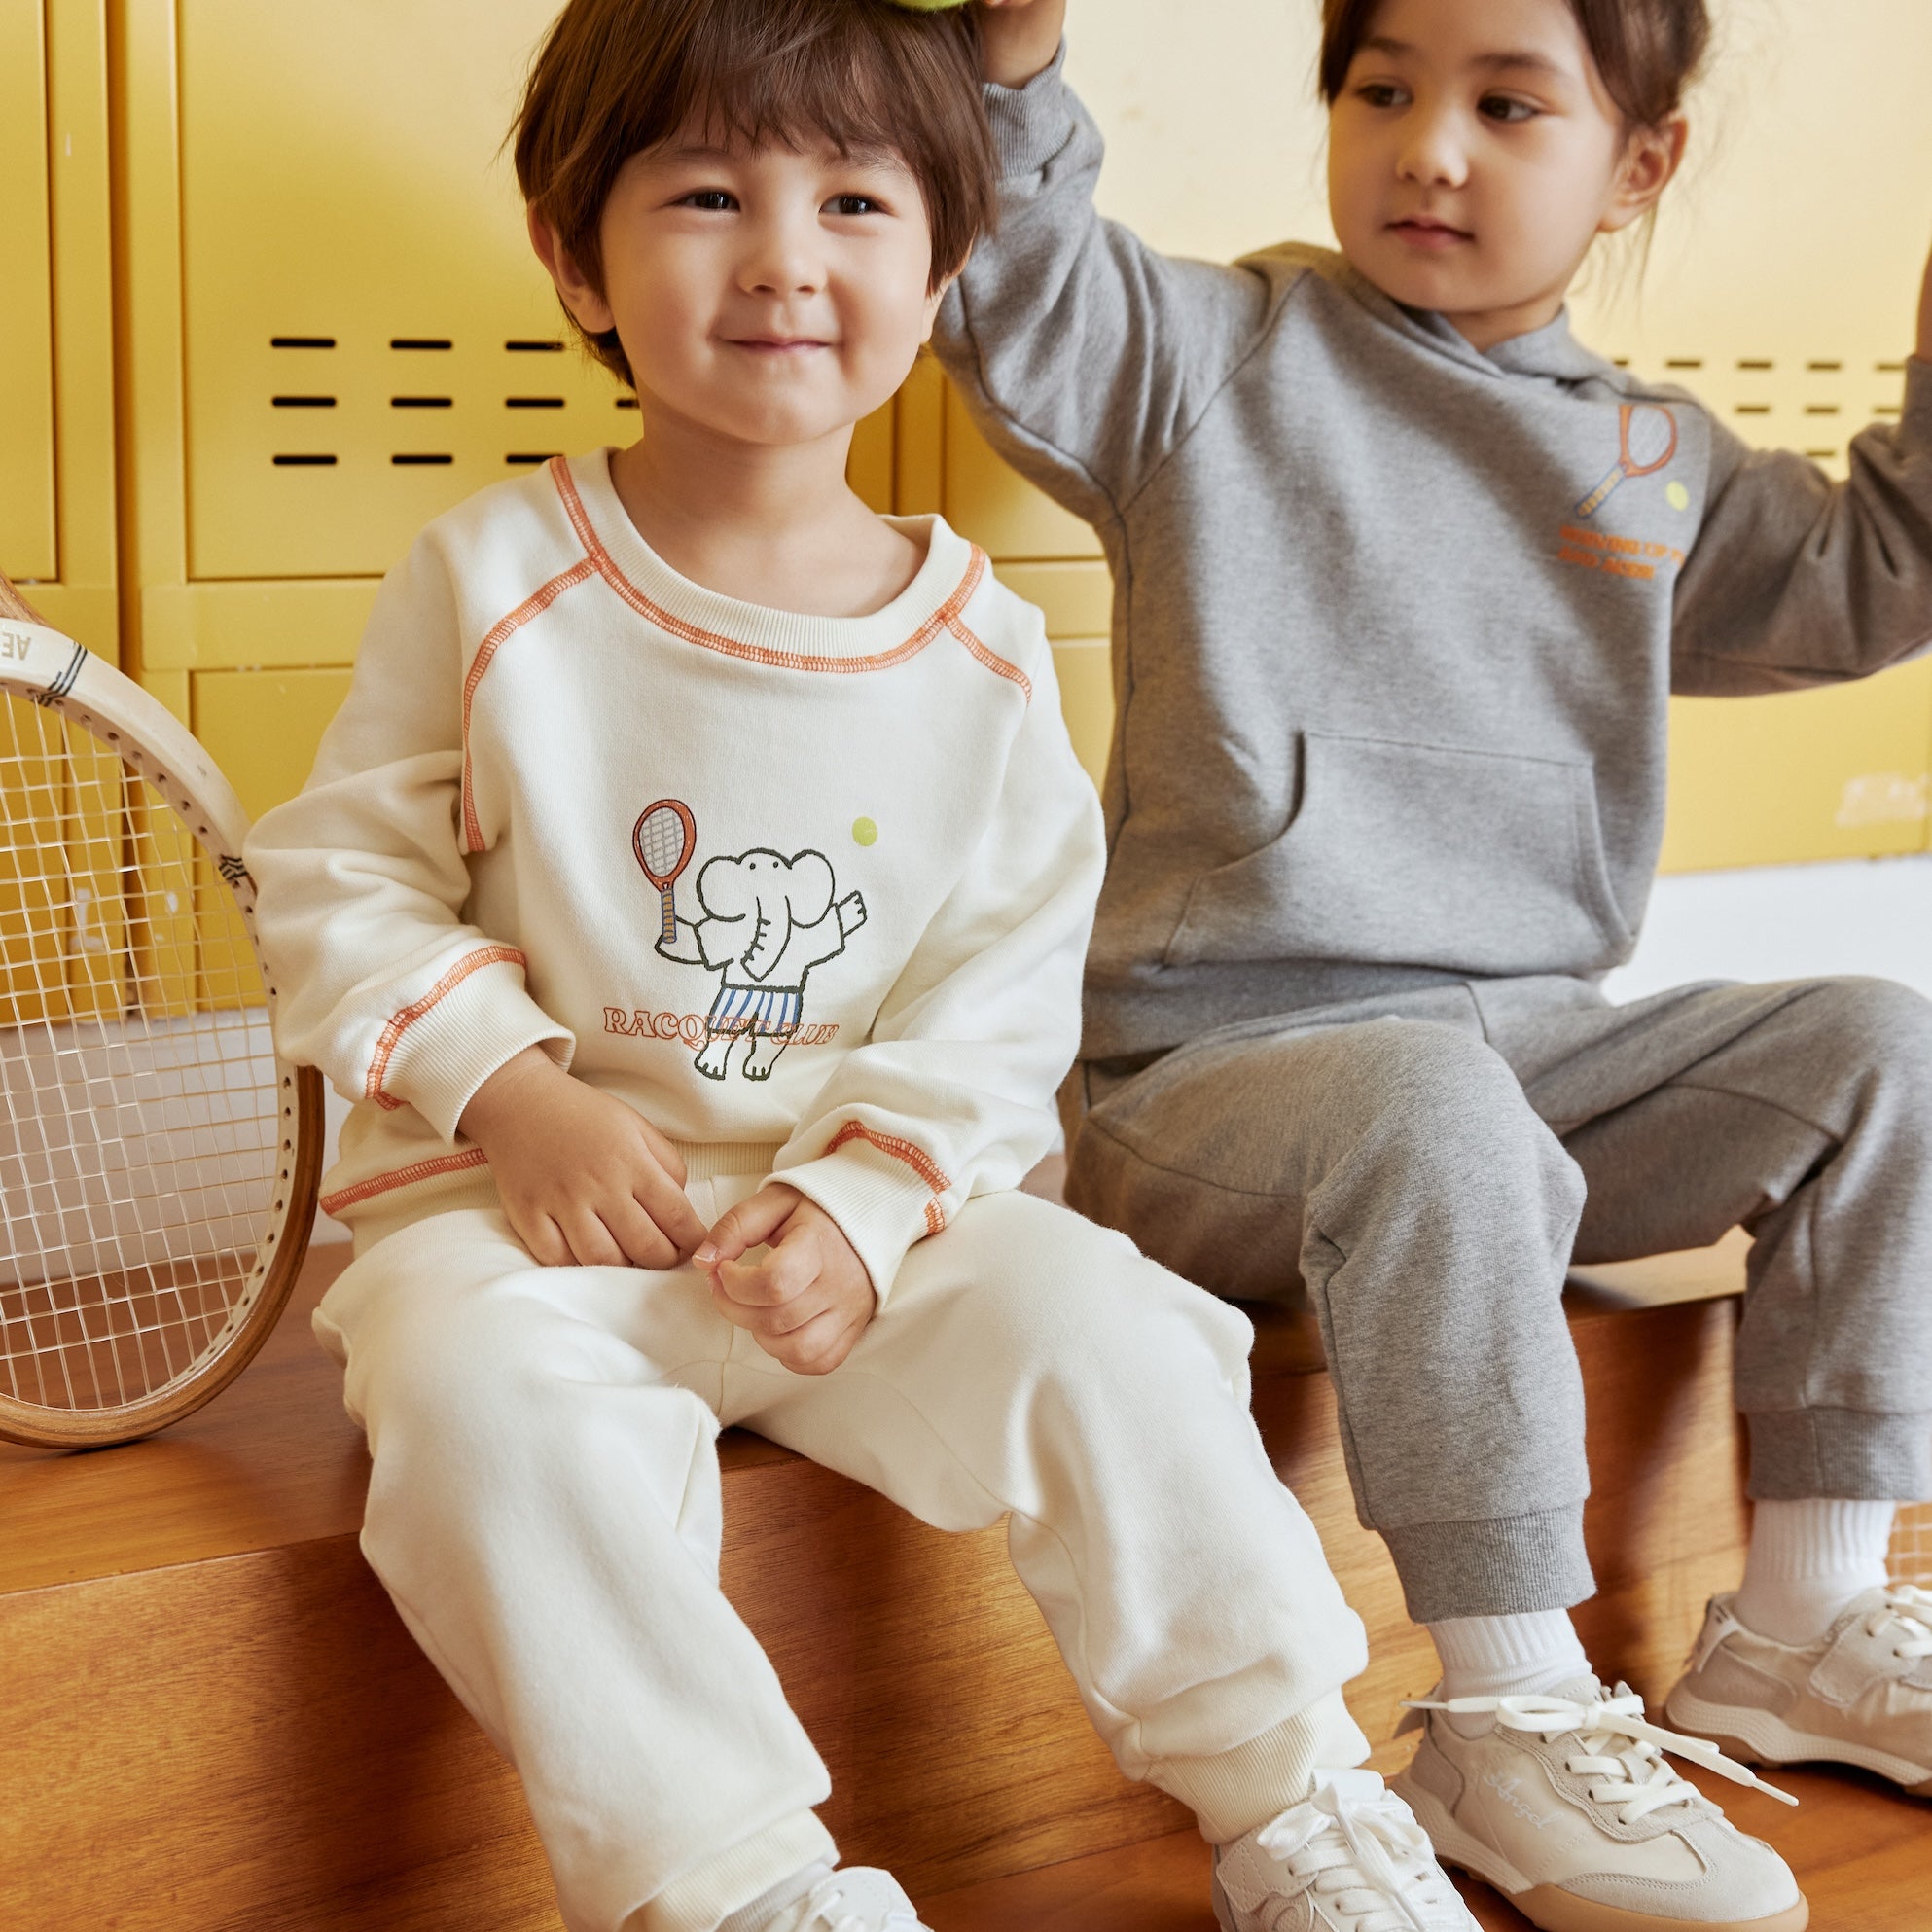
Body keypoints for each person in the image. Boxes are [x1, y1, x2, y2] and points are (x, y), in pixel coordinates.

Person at [244, 2, 1495, 1928]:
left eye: (851, 199)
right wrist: (511, 1089)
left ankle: (1292, 1796)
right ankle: (739, 1882)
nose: (783, 257)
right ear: (577, 252)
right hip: (530, 1233)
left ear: (946, 262)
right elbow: (339, 881)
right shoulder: (494, 578)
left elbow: (999, 998)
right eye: (708, 194)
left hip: (866, 1240)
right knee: (465, 1404)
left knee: (1115, 1328)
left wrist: (859, 1197)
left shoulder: (983, 646)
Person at [938, 0, 1932, 1924]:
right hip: (1218, 1084)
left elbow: (1875, 569)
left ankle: (1807, 1620)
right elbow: (1018, 263)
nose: (1430, 148)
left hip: (1530, 1066)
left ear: (1637, 163)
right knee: (1426, 1099)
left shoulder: (1656, 460)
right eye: (1381, 90)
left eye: (1504, 103)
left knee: (1886, 1042)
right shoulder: (1212, 356)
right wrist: (1009, 63)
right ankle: (1507, 1710)